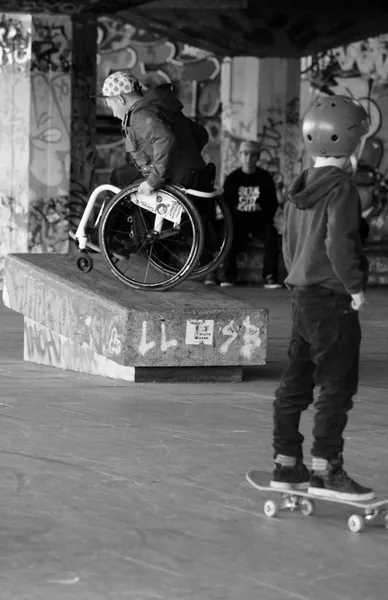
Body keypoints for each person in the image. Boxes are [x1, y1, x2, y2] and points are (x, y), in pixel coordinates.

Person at [248, 95, 375, 501]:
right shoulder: (342, 191)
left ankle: (286, 464)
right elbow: (340, 245)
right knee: (337, 386)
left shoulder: (299, 189)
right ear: (351, 142)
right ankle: (326, 469)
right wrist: (355, 287)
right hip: (333, 299)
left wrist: (296, 282)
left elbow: (289, 247)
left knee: (296, 383)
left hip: (303, 297)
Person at [98, 72, 212, 194]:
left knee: (118, 177)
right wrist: (187, 157)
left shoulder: (140, 114)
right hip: (196, 173)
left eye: (112, 108)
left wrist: (153, 181)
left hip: (177, 177)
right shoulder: (161, 107)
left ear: (120, 99)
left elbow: (165, 139)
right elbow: (201, 134)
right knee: (126, 173)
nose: (114, 114)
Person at [217, 140, 281, 289]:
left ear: (258, 157)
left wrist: (263, 217)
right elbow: (226, 205)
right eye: (245, 154)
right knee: (228, 235)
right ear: (240, 155)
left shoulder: (265, 178)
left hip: (260, 221)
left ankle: (270, 276)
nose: (248, 158)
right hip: (238, 221)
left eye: (253, 155)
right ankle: (228, 276)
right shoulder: (233, 179)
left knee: (271, 236)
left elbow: (271, 204)